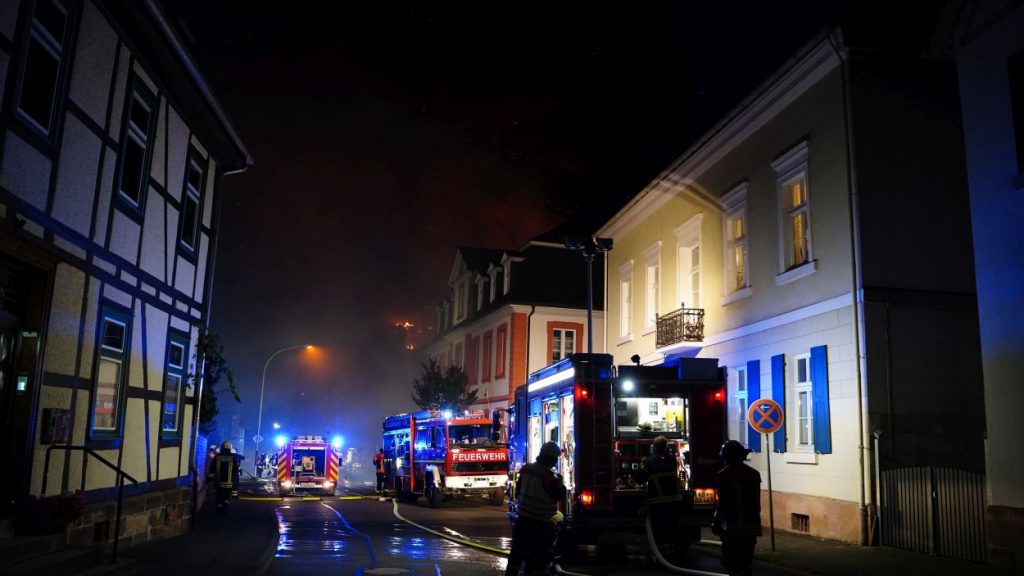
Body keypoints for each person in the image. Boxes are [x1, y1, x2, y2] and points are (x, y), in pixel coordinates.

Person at [506, 441, 566, 576]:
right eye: (556, 458)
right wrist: (560, 482)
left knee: (516, 557)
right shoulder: (550, 477)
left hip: (522, 522)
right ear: (551, 458)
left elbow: (518, 490)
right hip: (540, 525)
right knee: (539, 561)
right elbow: (560, 495)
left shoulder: (527, 469)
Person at [713, 440, 763, 576]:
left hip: (732, 529)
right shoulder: (754, 474)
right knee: (745, 563)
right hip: (751, 528)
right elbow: (756, 501)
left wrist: (716, 521)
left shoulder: (724, 475)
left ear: (727, 457)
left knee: (730, 562)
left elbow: (723, 503)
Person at [634, 435, 682, 561]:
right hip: (673, 500)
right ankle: (672, 556)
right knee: (671, 529)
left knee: (659, 531)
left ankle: (660, 558)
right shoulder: (672, 459)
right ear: (666, 447)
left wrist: (642, 463)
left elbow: (639, 479)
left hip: (657, 501)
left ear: (654, 447)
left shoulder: (649, 461)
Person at [210, 440, 243, 516]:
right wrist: (235, 491)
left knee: (218, 497)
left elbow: (212, 470)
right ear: (230, 449)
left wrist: (209, 479)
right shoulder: (233, 458)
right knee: (226, 497)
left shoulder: (217, 457)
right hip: (229, 484)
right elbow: (235, 473)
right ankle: (224, 508)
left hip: (218, 483)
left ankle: (219, 509)